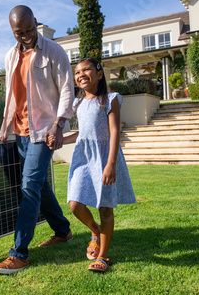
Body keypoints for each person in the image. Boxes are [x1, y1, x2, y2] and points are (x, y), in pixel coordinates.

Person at [0, 5, 75, 274]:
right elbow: (11, 95)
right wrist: (4, 127)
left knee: (28, 187)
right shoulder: (10, 56)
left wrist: (60, 124)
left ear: (36, 23)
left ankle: (19, 254)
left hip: (44, 131)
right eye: (19, 32)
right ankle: (63, 231)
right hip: (20, 132)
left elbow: (66, 89)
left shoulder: (53, 51)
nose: (26, 35)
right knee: (39, 186)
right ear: (12, 31)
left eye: (29, 29)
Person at [46, 58, 136, 272]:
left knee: (105, 208)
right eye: (77, 72)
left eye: (86, 70)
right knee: (74, 204)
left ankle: (103, 256)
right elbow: (82, 133)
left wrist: (111, 163)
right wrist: (61, 139)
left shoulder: (110, 99)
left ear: (99, 74)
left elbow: (115, 131)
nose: (81, 74)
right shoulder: (78, 103)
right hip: (84, 158)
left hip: (105, 156)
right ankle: (95, 231)